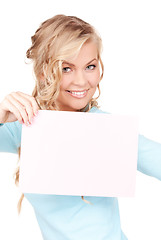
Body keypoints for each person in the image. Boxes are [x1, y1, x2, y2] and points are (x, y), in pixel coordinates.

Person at [0, 14, 161, 240]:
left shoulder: (106, 130)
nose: (81, 81)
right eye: (66, 68)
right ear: (43, 72)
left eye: (90, 66)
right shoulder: (25, 123)